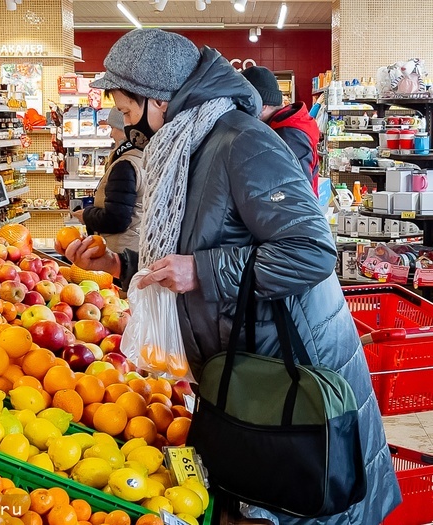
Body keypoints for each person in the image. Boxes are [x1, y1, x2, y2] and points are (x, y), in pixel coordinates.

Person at [59, 29, 399, 525]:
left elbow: (310, 252)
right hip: (250, 367)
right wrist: (119, 267)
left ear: (158, 101)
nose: (128, 129)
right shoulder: (187, 147)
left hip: (294, 370)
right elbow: (201, 244)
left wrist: (201, 270)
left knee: (310, 500)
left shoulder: (242, 143)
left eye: (129, 113)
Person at [72, 108, 144, 252]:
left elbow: (116, 219)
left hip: (122, 250)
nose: (111, 134)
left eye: (113, 128)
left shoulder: (125, 165)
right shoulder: (140, 157)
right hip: (134, 245)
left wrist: (86, 215)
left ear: (125, 130)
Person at [241, 66, 320, 194]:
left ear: (262, 106)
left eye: (245, 106)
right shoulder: (281, 127)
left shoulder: (289, 136)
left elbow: (297, 195)